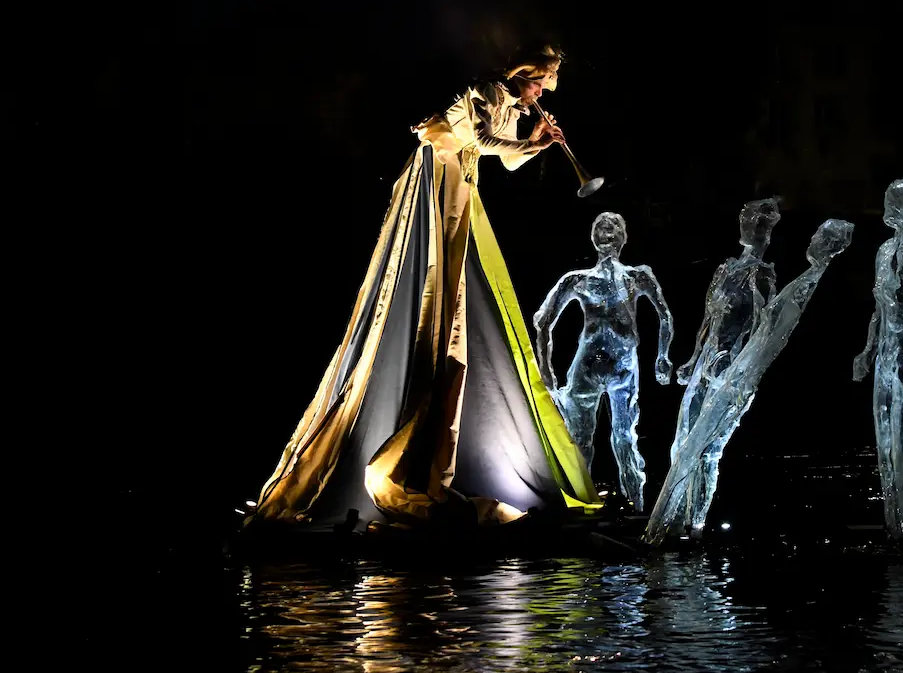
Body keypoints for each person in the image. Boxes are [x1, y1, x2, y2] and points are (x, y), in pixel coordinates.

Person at [245, 42, 601, 533]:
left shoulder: (512, 105)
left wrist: (539, 140)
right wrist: (523, 142)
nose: (540, 93)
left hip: (465, 181)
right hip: (439, 176)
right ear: (523, 75)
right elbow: (478, 141)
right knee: (436, 282)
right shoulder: (483, 90)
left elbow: (510, 160)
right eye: (539, 83)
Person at [533, 212, 675, 512]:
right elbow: (543, 321)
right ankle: (577, 502)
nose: (607, 233)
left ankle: (636, 506)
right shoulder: (578, 280)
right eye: (600, 228)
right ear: (592, 237)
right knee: (580, 440)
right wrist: (546, 373)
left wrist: (662, 356)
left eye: (614, 228)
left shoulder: (638, 276)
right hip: (587, 369)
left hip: (624, 369)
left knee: (625, 437)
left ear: (624, 237)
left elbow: (664, 315)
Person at [660, 197, 780, 531]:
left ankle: (695, 524)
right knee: (682, 441)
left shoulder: (763, 275)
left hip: (731, 369)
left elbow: (763, 328)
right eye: (750, 221)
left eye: (761, 224)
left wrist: (737, 365)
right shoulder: (726, 269)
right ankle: (674, 518)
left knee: (710, 449)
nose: (753, 229)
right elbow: (707, 320)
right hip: (706, 365)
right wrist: (694, 359)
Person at [853, 174, 903, 544]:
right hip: (886, 354)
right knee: (884, 438)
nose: (892, 208)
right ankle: (894, 521)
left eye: (899, 201)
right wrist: (868, 351)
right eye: (890, 200)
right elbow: (878, 309)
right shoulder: (884, 251)